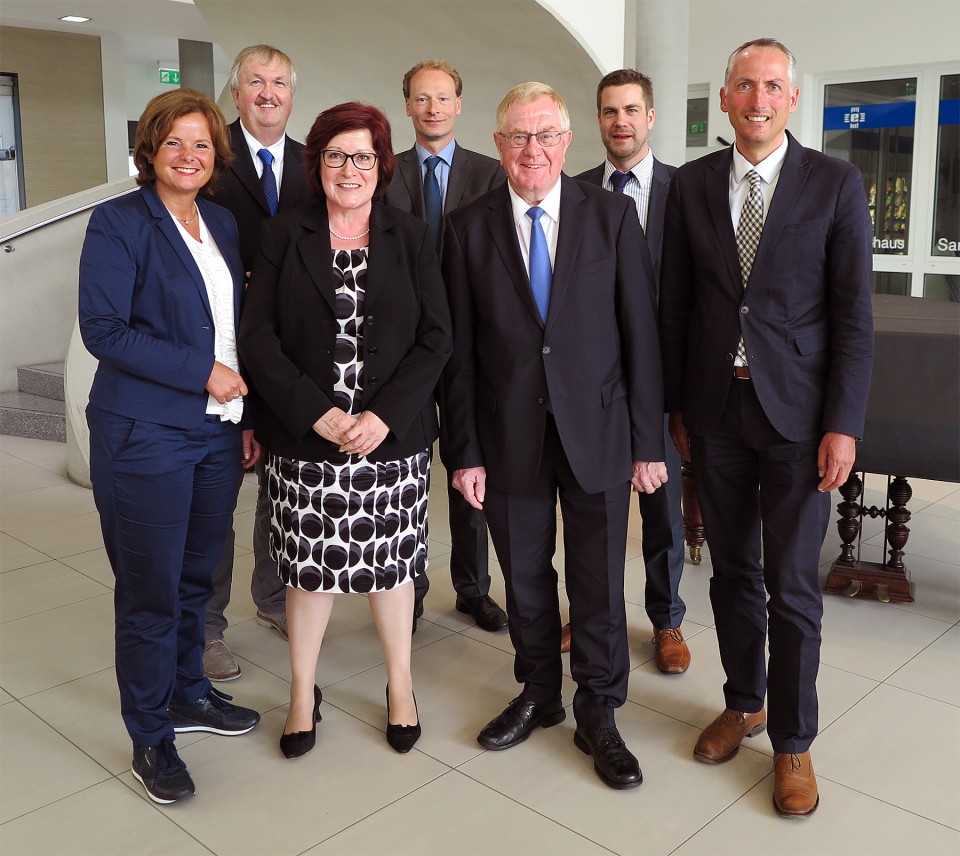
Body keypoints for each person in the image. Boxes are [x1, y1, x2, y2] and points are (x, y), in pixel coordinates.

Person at [659, 39, 873, 817]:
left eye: (771, 87)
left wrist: (843, 425)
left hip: (798, 419)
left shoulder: (836, 184)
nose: (756, 99)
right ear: (724, 99)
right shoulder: (690, 186)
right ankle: (743, 700)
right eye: (743, 86)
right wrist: (676, 408)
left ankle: (792, 741)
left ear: (792, 99)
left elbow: (854, 318)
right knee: (731, 576)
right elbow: (676, 307)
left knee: (792, 588)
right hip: (715, 412)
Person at [441, 82, 666, 790]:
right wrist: (464, 451)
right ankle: (538, 693)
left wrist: (647, 442)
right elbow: (460, 353)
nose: (531, 149)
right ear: (499, 143)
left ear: (567, 143)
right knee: (529, 584)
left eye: (544, 136)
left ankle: (598, 709)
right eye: (517, 136)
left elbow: (641, 336)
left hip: (598, 432)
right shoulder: (467, 227)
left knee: (598, 584)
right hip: (508, 439)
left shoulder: (610, 217)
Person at [238, 102, 452, 759]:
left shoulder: (410, 236)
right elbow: (257, 336)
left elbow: (436, 336)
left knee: (391, 570)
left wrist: (382, 415)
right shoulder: (284, 233)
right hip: (309, 440)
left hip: (390, 440)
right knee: (308, 574)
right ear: (317, 163)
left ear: (382, 166)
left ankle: (400, 686)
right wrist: (317, 413)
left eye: (362, 156)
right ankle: (303, 693)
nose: (348, 168)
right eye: (335, 155)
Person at [79, 89, 262, 806]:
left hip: (217, 432)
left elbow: (230, 327)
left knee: (196, 581)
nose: (189, 156)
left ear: (216, 157)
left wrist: (241, 411)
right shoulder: (119, 222)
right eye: (175, 142)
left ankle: (190, 694)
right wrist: (203, 374)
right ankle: (150, 731)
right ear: (150, 149)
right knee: (151, 593)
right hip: (145, 433)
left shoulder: (219, 221)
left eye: (203, 145)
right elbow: (105, 329)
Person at [570, 69, 689, 673]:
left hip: (662, 381)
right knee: (592, 505)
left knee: (662, 508)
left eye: (631, 110)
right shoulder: (573, 192)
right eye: (610, 111)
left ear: (650, 117)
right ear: (598, 122)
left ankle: (666, 619)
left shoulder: (685, 189)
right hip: (592, 383)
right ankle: (592, 609)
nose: (621, 121)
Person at [201, 44, 313, 682]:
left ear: (291, 96)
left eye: (279, 82)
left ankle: (273, 597)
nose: (268, 92)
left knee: (282, 491)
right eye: (255, 82)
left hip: (289, 357)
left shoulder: (310, 163)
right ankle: (208, 627)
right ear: (236, 94)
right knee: (217, 497)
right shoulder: (210, 159)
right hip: (220, 355)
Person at [384, 59, 507, 634]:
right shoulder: (384, 173)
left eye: (443, 98)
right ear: (407, 106)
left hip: (470, 345)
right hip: (401, 349)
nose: (432, 108)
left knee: (469, 467)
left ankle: (472, 588)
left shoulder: (491, 173)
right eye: (421, 98)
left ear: (459, 105)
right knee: (404, 473)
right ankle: (407, 590)